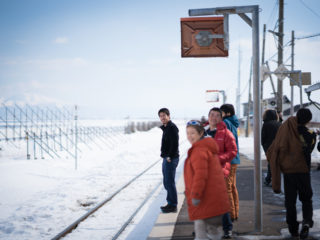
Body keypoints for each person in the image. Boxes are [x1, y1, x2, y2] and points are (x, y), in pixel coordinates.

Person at [267, 108, 316, 239]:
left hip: (288, 172)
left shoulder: (286, 128)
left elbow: (277, 145)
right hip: (303, 171)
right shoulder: (310, 134)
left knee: (290, 202)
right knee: (306, 199)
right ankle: (306, 222)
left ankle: (293, 230)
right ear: (308, 120)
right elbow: (309, 150)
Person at [184, 120, 230, 240]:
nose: (189, 136)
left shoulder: (199, 151)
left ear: (201, 133)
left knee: (201, 230)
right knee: (213, 231)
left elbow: (200, 175)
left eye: (192, 133)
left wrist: (195, 195)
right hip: (214, 200)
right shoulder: (206, 148)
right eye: (187, 133)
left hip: (205, 200)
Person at [205, 107, 237, 239]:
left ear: (221, 118)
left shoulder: (226, 133)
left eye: (217, 115)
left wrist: (219, 159)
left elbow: (233, 151)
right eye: (211, 115)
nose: (214, 117)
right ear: (208, 117)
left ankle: (227, 229)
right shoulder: (203, 132)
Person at [220, 104, 240, 222]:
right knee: (232, 187)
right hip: (234, 159)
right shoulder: (233, 122)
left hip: (228, 160)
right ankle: (234, 212)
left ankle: (230, 215)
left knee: (227, 188)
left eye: (221, 112)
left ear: (226, 113)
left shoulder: (226, 123)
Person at [158, 108, 180, 213]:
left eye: (164, 115)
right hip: (166, 157)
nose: (162, 118)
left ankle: (173, 204)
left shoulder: (172, 127)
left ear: (169, 116)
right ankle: (170, 202)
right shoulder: (166, 127)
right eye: (160, 116)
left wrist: (169, 156)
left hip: (171, 158)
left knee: (169, 182)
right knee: (166, 182)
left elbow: (174, 144)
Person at [261, 109, 281, 186]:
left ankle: (269, 179)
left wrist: (265, 147)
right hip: (278, 146)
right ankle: (272, 180)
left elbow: (263, 138)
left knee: (271, 163)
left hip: (268, 147)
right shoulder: (279, 124)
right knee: (276, 163)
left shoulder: (266, 124)